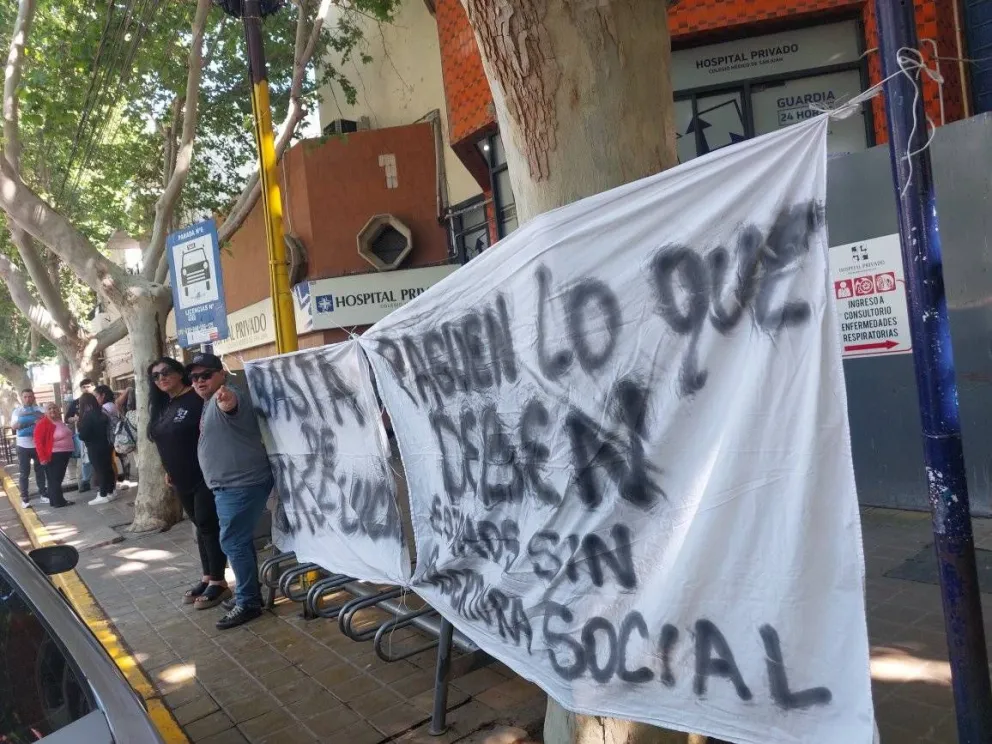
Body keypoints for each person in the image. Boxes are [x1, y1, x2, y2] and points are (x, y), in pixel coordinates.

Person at [189, 353, 272, 629]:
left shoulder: (227, 395)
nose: (199, 381)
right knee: (238, 541)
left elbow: (233, 406)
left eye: (205, 375)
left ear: (221, 374)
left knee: (233, 542)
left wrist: (228, 403)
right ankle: (249, 594)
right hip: (229, 485)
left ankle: (248, 601)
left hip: (240, 484)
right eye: (194, 377)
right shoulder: (207, 400)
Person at [147, 357, 230, 610]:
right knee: (200, 528)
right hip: (179, 478)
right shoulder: (165, 404)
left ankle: (219, 582)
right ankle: (207, 577)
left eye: (166, 371)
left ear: (180, 373)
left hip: (205, 474)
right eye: (156, 376)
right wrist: (168, 469)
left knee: (208, 525)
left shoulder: (197, 399)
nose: (162, 377)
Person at [75, 393, 115, 506]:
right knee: (108, 468)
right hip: (107, 444)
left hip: (94, 447)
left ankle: (102, 494)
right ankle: (111, 492)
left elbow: (83, 435)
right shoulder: (103, 412)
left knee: (100, 470)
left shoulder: (88, 416)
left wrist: (79, 434)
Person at [33, 403, 75, 508]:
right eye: (49, 408)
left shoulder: (58, 421)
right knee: (55, 479)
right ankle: (58, 502)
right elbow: (38, 442)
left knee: (55, 479)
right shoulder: (43, 423)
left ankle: (55, 501)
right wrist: (42, 458)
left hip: (63, 454)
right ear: (45, 412)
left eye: (55, 408)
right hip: (54, 455)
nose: (53, 410)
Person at [11, 389, 46, 508]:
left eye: (30, 396)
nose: (27, 399)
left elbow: (45, 423)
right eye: (25, 397)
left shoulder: (40, 410)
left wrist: (25, 422)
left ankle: (43, 494)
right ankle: (25, 499)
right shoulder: (17, 411)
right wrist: (33, 421)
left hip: (38, 445)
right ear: (22, 398)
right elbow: (15, 426)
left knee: (40, 471)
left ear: (34, 397)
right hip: (23, 446)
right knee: (24, 473)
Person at [66, 378, 95, 492]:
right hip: (82, 435)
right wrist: (76, 418)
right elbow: (67, 418)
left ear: (93, 387)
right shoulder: (76, 402)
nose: (86, 389)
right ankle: (84, 483)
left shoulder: (98, 399)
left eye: (88, 386)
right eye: (83, 387)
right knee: (84, 460)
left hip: (98, 433)